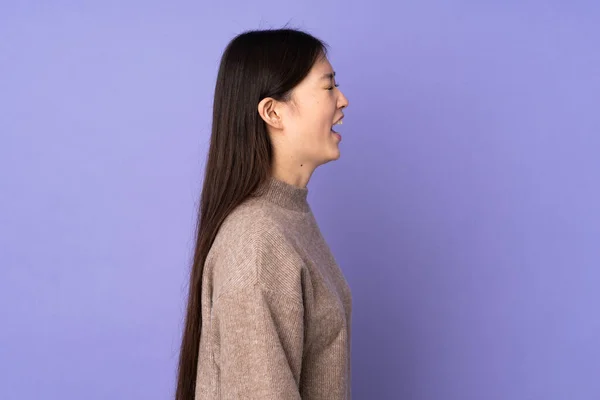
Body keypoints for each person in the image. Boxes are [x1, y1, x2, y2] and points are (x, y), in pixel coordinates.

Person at [175, 28, 352, 400]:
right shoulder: (258, 241)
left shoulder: (287, 217)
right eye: (328, 87)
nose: (343, 101)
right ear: (273, 112)